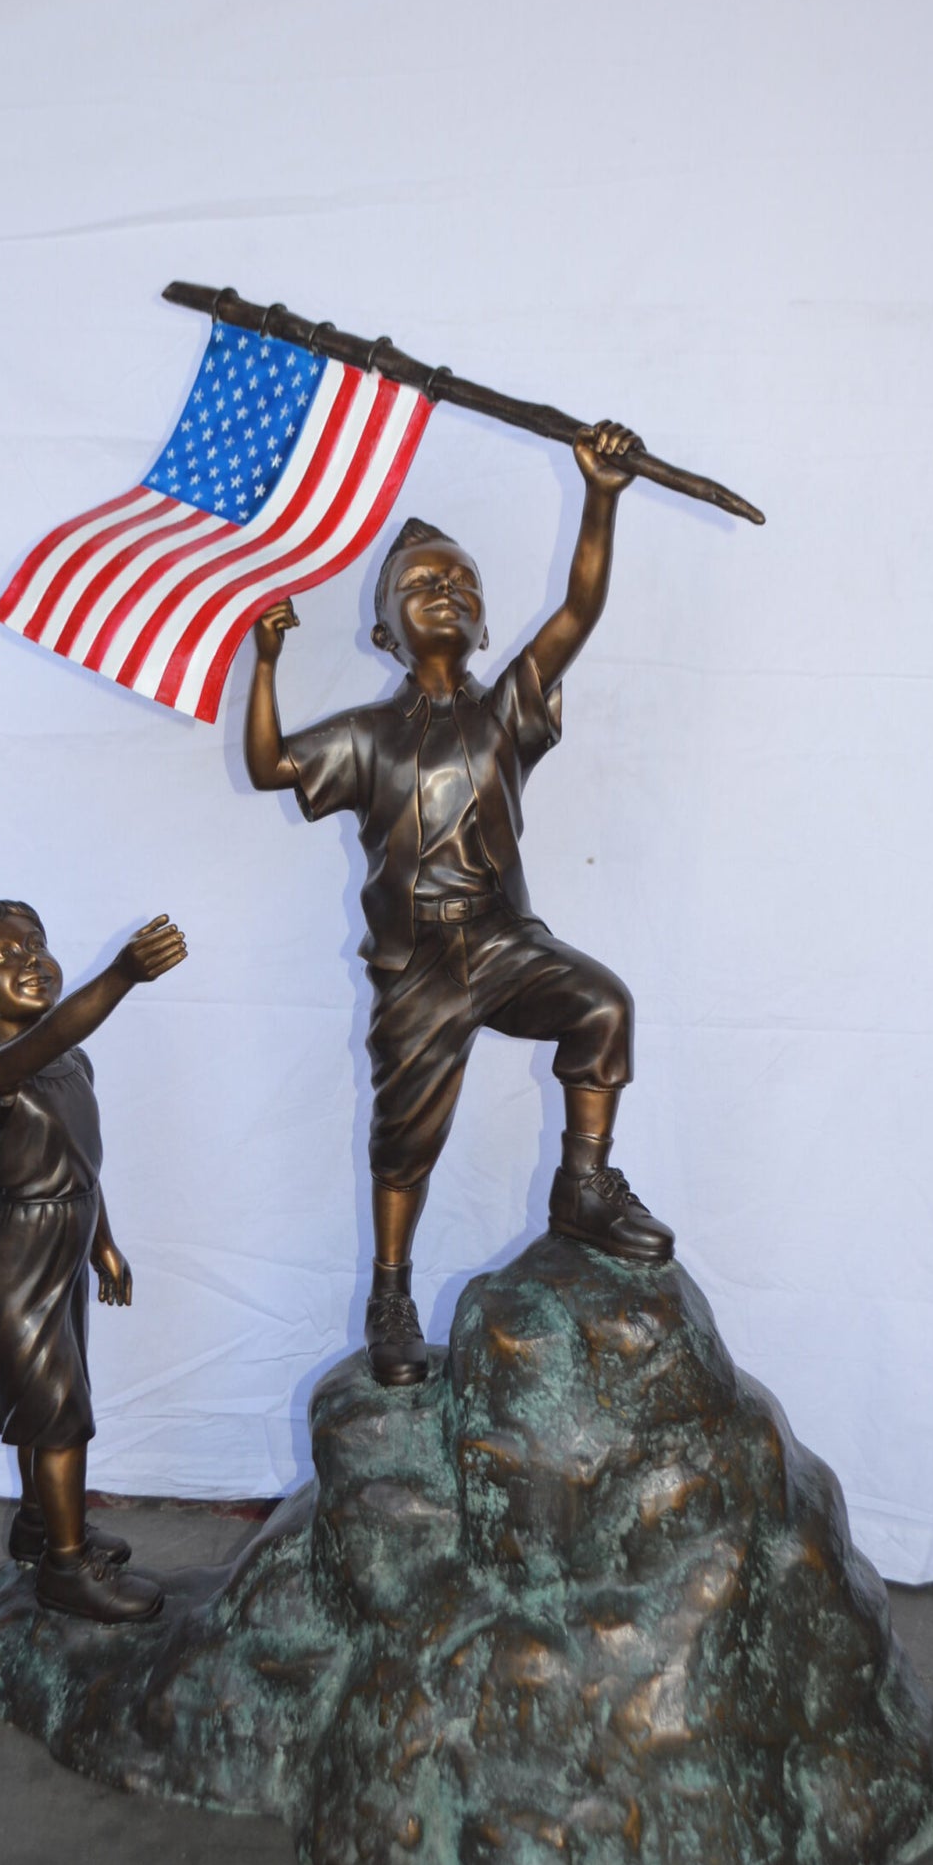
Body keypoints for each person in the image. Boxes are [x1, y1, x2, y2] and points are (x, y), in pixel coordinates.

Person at [244, 422, 673, 1388]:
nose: (446, 592)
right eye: (422, 585)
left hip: (504, 943)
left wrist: (600, 494)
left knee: (603, 1005)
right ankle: (390, 1294)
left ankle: (584, 1184)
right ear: (385, 630)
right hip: (419, 968)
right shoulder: (363, 736)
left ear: (483, 627)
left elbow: (578, 607)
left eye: (463, 584)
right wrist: (265, 663)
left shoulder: (507, 707)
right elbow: (269, 763)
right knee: (404, 1140)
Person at [0, 899, 186, 1623]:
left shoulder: (73, 1061)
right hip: (20, 1257)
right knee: (59, 1414)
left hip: (67, 1243)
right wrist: (122, 974)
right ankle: (68, 1571)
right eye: (2, 958)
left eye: (35, 945)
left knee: (49, 1399)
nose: (28, 962)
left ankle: (40, 1527)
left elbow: (81, 1163)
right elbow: (60, 1029)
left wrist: (102, 1240)